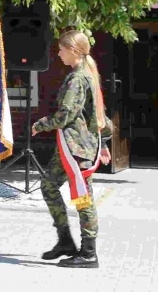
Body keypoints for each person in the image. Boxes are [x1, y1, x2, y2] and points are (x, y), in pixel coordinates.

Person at [34, 28, 109, 268]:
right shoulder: (84, 74)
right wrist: (104, 143)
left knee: (83, 198)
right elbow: (99, 115)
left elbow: (66, 114)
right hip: (72, 146)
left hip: (78, 149)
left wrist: (41, 124)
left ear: (74, 51)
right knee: (48, 186)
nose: (58, 53)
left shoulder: (79, 78)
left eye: (62, 49)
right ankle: (65, 240)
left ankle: (88, 253)